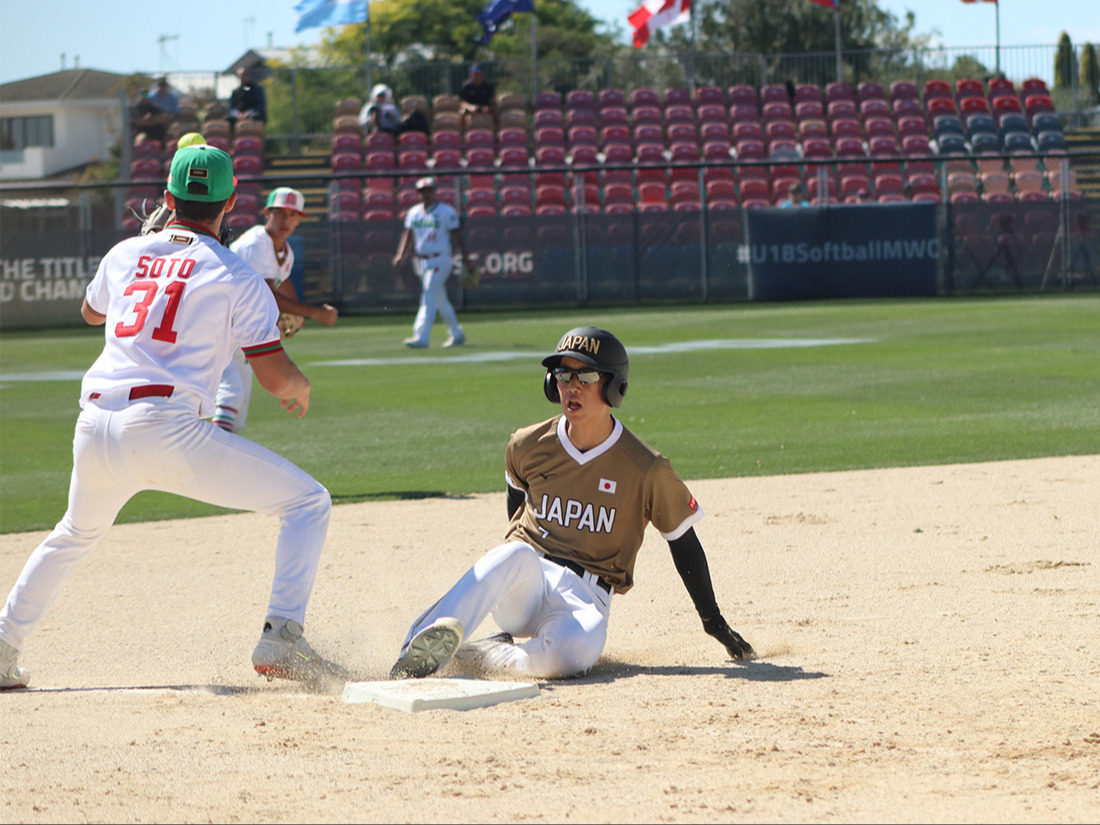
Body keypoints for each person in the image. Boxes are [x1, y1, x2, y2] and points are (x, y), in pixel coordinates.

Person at [0, 145, 344, 690]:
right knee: (307, 502)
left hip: (94, 425)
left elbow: (92, 312)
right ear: (231, 202)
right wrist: (300, 384)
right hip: (166, 428)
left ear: (166, 198)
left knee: (72, 534)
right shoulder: (237, 273)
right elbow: (277, 379)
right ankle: (281, 636)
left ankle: (2, 647)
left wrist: (151, 252)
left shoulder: (124, 253)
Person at [389, 326, 755, 680]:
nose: (571, 386)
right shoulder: (527, 444)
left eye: (587, 376)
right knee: (511, 554)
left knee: (575, 653)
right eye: (563, 374)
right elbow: (516, 507)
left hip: (586, 598)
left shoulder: (647, 468)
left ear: (614, 387)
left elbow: (683, 542)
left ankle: (486, 655)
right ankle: (415, 651)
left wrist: (713, 622)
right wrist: (516, 565)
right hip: (526, 583)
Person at [212, 187, 339, 433]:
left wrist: (297, 314)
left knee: (239, 410)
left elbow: (284, 280)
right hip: (218, 322)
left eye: (292, 215)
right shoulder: (256, 242)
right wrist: (313, 312)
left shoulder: (284, 250)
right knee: (231, 393)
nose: (286, 220)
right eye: (279, 213)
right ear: (267, 213)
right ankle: (210, 458)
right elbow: (267, 291)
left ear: (300, 219)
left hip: (239, 328)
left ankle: (224, 458)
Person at [392, 176, 476, 349]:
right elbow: (408, 236)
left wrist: (466, 260)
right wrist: (401, 255)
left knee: (428, 295)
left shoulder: (446, 211)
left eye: (429, 190)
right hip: (422, 261)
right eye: (423, 191)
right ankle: (457, 334)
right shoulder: (414, 212)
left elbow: (457, 236)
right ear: (418, 193)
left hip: (441, 258)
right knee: (439, 299)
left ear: (434, 191)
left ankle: (421, 336)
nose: (426, 194)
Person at [459, 65, 497, 129]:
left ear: (482, 74)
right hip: (471, 108)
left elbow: (493, 101)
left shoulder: (488, 85)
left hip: (486, 108)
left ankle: (495, 132)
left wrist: (488, 108)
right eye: (474, 75)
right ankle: (463, 133)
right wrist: (470, 107)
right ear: (471, 75)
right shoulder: (466, 86)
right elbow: (462, 102)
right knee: (462, 113)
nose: (476, 77)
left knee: (496, 113)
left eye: (478, 74)